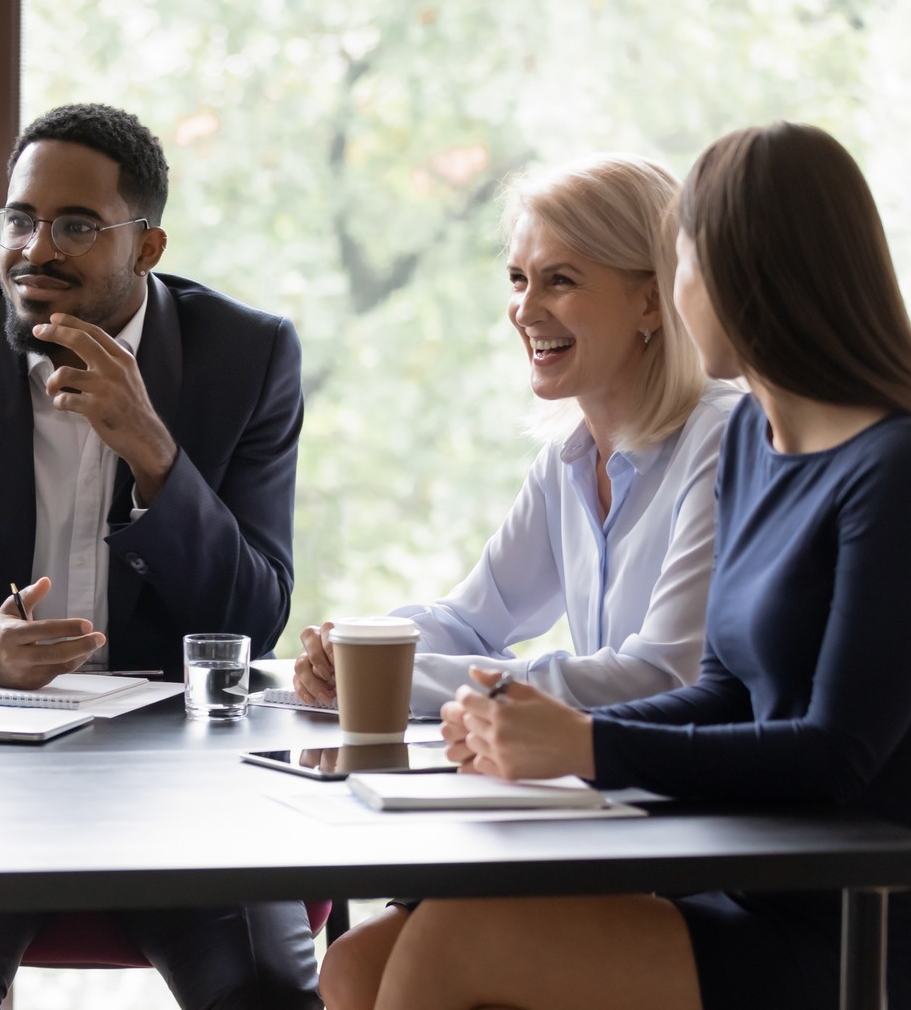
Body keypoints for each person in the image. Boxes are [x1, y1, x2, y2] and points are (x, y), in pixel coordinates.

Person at [335, 121, 911, 1010]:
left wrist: (586, 744)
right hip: (730, 863)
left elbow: (838, 751)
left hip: (848, 916)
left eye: (685, 265)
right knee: (359, 962)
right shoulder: (760, 446)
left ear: (758, 275)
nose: (682, 298)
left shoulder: (891, 468)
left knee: (453, 943)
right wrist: (530, 733)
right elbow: (722, 687)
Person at [0, 104, 317, 1008]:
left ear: (147, 246)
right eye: (18, 219)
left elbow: (254, 618)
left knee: (262, 985)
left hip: (184, 771)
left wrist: (154, 453)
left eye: (77, 227)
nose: (35, 249)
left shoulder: (246, 356)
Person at [293, 155, 740, 1007]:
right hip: (599, 826)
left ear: (652, 300)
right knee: (352, 966)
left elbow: (660, 675)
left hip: (683, 837)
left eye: (561, 281)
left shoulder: (723, 441)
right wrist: (358, 645)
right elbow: (470, 619)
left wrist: (394, 682)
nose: (525, 309)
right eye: (518, 279)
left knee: (430, 956)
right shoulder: (570, 460)